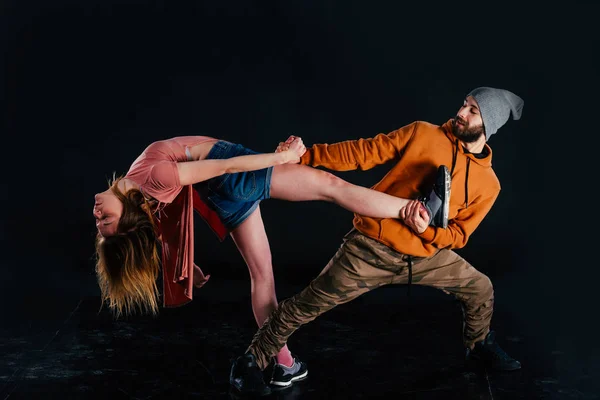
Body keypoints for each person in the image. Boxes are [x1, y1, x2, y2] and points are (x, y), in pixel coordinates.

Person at [229, 86, 525, 396]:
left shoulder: (489, 185)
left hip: (426, 257)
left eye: (472, 111)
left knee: (480, 287)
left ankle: (479, 347)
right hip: (371, 249)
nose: (461, 113)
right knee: (305, 305)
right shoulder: (424, 134)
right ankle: (250, 362)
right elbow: (363, 152)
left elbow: (459, 236)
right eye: (464, 104)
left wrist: (425, 231)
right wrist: (306, 156)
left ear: (488, 125)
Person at [93, 134, 449, 388]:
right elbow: (225, 165)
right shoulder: (150, 181)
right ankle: (419, 211)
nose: (97, 216)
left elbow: (160, 227)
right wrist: (279, 158)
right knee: (330, 186)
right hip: (232, 178)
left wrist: (187, 265)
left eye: (99, 224)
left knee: (261, 275)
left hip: (221, 195)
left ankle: (284, 364)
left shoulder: (136, 191)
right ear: (124, 216)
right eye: (106, 222)